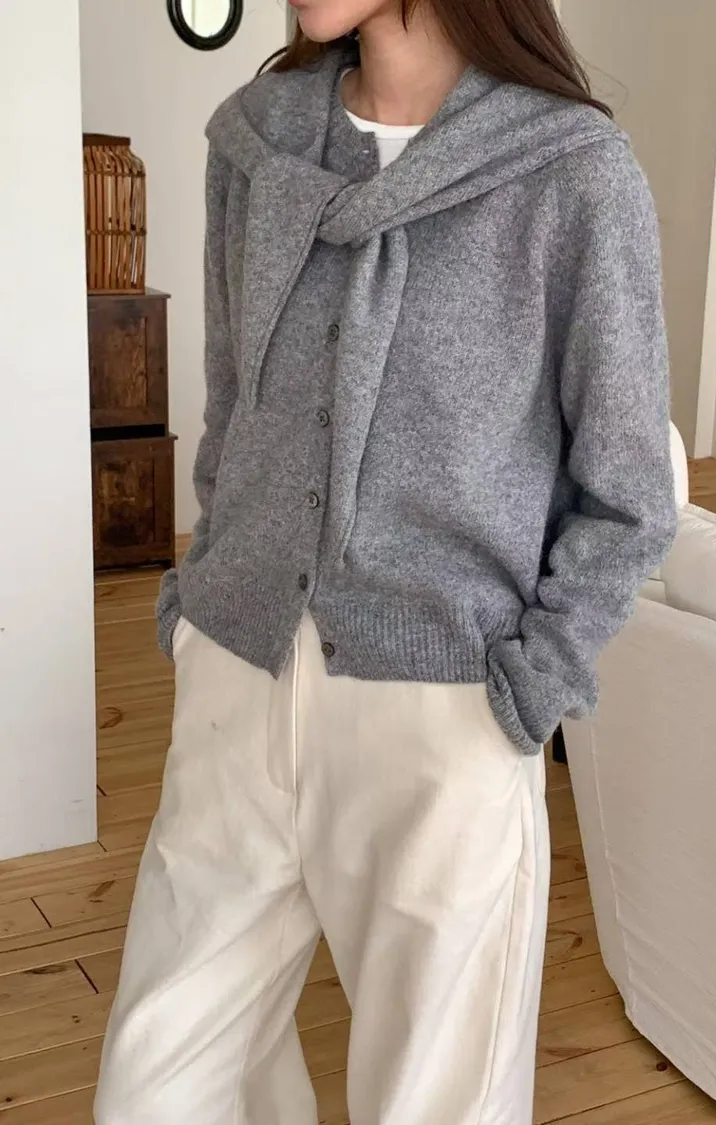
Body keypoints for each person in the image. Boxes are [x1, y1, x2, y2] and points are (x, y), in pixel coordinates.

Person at [94, 1, 677, 1122]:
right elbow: (233, 410)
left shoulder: (570, 173)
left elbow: (629, 493)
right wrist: (200, 606)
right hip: (238, 670)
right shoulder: (254, 140)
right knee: (155, 1085)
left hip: (446, 711)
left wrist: (529, 687)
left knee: (433, 1101)